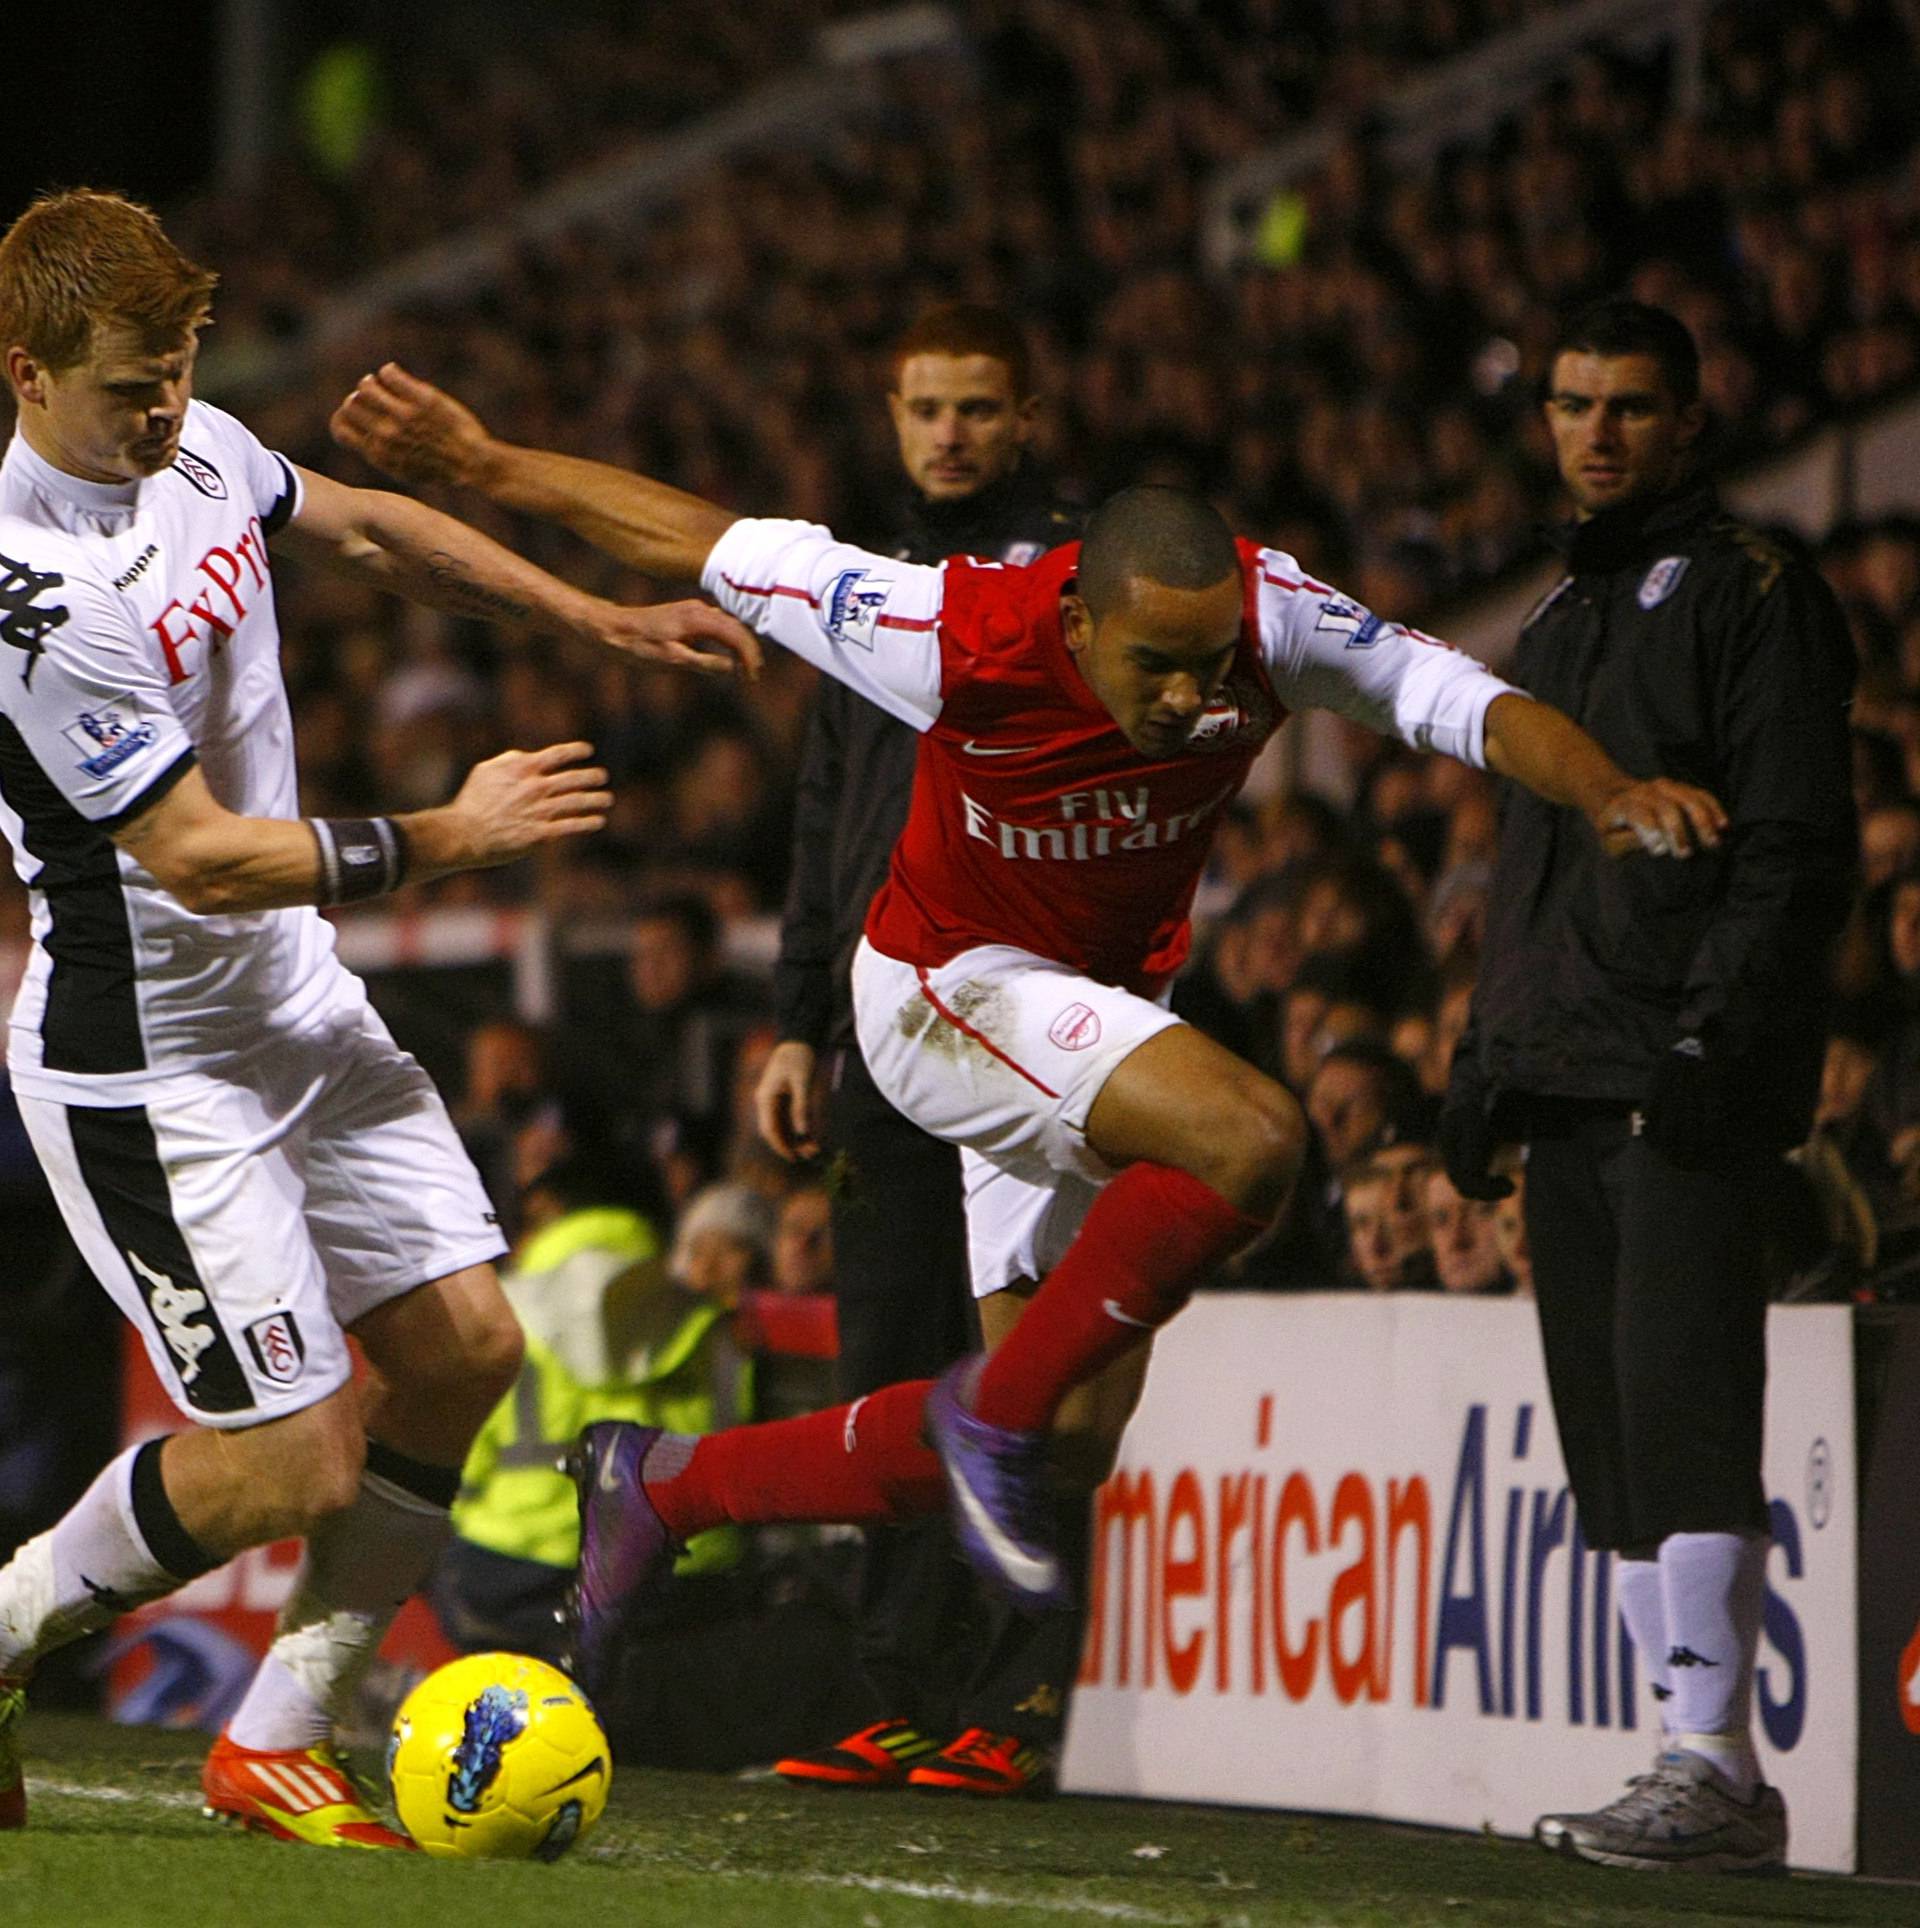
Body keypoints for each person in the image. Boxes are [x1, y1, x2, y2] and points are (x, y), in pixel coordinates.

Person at [329, 356, 1725, 1710]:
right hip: (947, 989)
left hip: (1091, 1019)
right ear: (1078, 628)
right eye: (1157, 668)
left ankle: (668, 1486)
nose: (1191, 701)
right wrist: (486, 463)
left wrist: (1604, 787)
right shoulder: (951, 625)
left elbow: (1466, 703)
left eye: (1211, 667)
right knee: (1253, 1139)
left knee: (1066, 1447)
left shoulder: (1278, 617)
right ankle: (977, 1426)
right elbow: (704, 538)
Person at [0, 190, 756, 1846]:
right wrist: (446, 836)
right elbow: (198, 858)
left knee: (472, 1351)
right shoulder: (28, 599)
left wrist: (596, 617)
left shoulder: (188, 448)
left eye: (184, 369)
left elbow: (363, 527)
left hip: (293, 1002)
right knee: (291, 1463)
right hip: (152, 1062)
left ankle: (279, 1732)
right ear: (29, 373)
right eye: (133, 383)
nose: (168, 408)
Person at [344, 309, 1090, 1795]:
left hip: (1030, 1034)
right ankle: (902, 1690)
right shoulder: (870, 586)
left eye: (977, 409)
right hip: (880, 1033)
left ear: (1026, 418)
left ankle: (1014, 1708)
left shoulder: (1067, 579)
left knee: (1020, 1370)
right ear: (892, 417)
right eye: (925, 407)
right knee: (888, 1357)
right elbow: (830, 816)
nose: (948, 434)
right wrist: (799, 1024)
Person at [1439, 300, 1856, 1874]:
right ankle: (1678, 1758)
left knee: (1684, 1424)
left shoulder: (1758, 597)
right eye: (1570, 404)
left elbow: (1799, 847)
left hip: (1677, 1082)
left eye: (1628, 408)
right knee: (1610, 1448)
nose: (1596, 432)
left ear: (1691, 423)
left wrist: (1714, 1041)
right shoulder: (1554, 621)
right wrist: (1487, 1060)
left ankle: (1721, 1767)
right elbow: (1527, 871)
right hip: (1564, 1081)